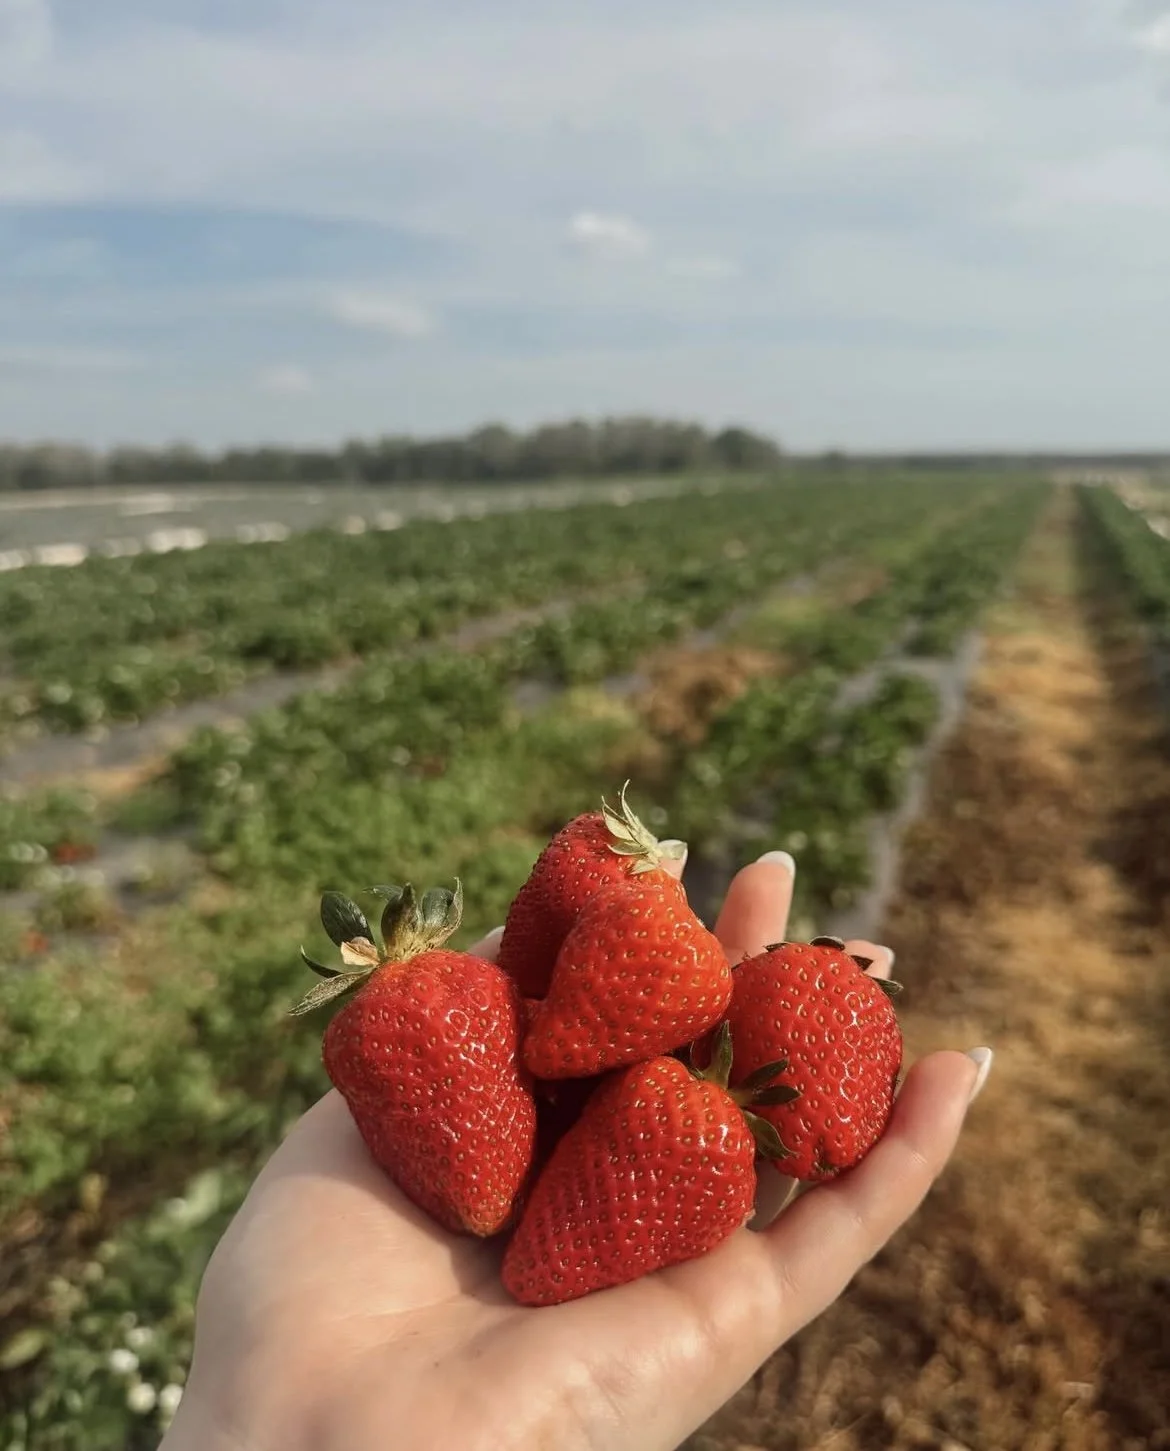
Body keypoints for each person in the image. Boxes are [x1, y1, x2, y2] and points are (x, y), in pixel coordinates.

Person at [160, 851, 991, 1451]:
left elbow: (561, 1045)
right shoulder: (499, 1019)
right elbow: (552, 1043)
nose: (550, 1045)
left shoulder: (652, 1086)